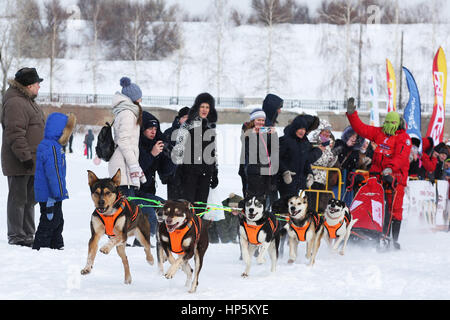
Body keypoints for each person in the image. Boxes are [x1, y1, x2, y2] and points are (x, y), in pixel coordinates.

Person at [346, 97, 412, 250]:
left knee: (394, 209)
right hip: (377, 177)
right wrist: (352, 113)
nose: (388, 126)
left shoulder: (404, 138)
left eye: (392, 123)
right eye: (387, 122)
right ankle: (369, 231)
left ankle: (393, 239)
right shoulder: (379, 133)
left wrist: (389, 169)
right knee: (372, 204)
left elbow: (401, 157)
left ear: (398, 124)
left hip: (395, 179)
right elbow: (361, 128)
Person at [1, 67, 45, 247]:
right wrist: (25, 157)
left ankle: (28, 234)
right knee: (18, 199)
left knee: (30, 200)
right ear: (28, 85)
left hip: (32, 160)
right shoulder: (16, 103)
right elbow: (15, 133)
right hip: (20, 161)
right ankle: (17, 236)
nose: (39, 87)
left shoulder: (27, 100)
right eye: (37, 84)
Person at [32, 112, 76, 250]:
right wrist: (59, 193)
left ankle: (57, 245)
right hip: (51, 194)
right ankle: (41, 246)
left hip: (48, 193)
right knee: (50, 220)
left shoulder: (50, 145)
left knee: (57, 220)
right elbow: (54, 173)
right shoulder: (52, 148)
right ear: (61, 131)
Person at [172, 92, 218, 214]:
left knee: (201, 209)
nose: (204, 110)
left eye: (207, 107)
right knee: (187, 209)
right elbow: (179, 148)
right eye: (202, 106)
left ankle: (197, 232)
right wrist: (178, 170)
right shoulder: (187, 126)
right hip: (189, 173)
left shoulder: (210, 127)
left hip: (205, 174)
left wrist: (215, 172)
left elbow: (213, 152)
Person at [109, 77, 146, 200]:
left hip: (124, 166)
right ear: (133, 98)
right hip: (123, 167)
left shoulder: (127, 112)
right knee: (127, 210)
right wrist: (134, 165)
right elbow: (123, 140)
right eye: (139, 96)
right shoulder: (127, 114)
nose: (141, 99)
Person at [137, 111, 174, 236]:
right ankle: (143, 242)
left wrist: (171, 158)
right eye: (149, 129)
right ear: (142, 129)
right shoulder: (136, 144)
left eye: (155, 129)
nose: (153, 131)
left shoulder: (157, 144)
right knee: (152, 216)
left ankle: (144, 240)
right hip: (135, 191)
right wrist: (152, 154)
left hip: (149, 190)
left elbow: (164, 172)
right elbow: (138, 169)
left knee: (166, 208)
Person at [238, 108, 278, 205]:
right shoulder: (248, 132)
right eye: (258, 120)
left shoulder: (266, 133)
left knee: (264, 200)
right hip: (253, 171)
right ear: (253, 120)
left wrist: (273, 136)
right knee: (252, 200)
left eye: (263, 120)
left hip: (266, 171)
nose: (261, 122)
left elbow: (274, 150)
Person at [278, 114, 321, 199]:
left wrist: (310, 173)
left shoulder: (305, 143)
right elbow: (277, 158)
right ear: (295, 129)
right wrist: (285, 172)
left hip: (298, 181)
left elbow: (305, 161)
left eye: (304, 129)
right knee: (284, 207)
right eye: (300, 128)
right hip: (285, 181)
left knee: (293, 208)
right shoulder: (285, 140)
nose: (302, 131)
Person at [163, 106, 190, 200]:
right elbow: (164, 155)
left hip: (191, 177)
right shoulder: (169, 133)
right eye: (185, 117)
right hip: (174, 176)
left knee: (188, 208)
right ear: (179, 119)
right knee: (174, 207)